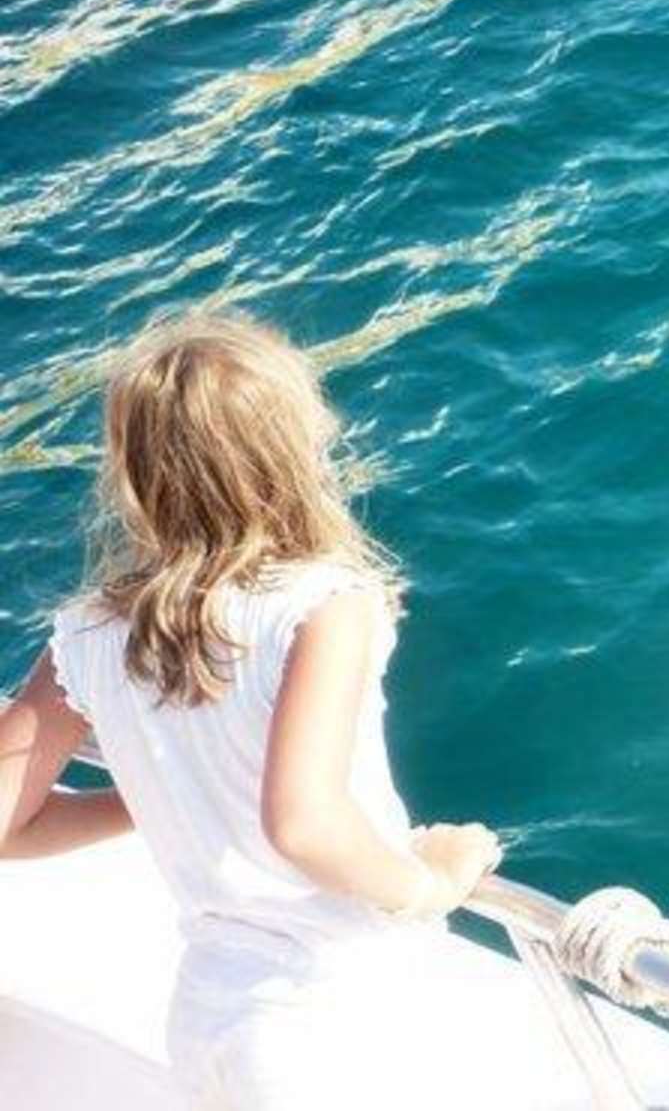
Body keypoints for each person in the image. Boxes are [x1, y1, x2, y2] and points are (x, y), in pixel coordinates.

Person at [0, 310, 502, 1109]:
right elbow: (302, 824)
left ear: (133, 472)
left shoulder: (89, 633)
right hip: (337, 1017)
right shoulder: (325, 606)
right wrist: (430, 885)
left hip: (205, 1019)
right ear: (291, 450)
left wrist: (151, 796)